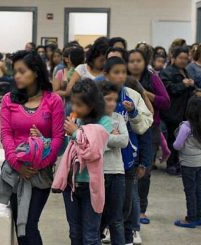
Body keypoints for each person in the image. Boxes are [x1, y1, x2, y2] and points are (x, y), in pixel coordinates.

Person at [0, 50, 65, 245]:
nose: (16, 76)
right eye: (15, 71)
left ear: (36, 72)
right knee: (20, 228)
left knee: (29, 225)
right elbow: (6, 135)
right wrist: (18, 165)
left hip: (40, 174)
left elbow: (58, 137)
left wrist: (39, 164)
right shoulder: (9, 100)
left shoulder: (53, 100)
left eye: (22, 71)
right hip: (15, 172)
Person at [52, 79, 111, 245]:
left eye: (79, 104)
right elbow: (68, 149)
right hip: (71, 185)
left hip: (90, 185)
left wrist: (76, 133)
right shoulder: (76, 120)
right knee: (75, 234)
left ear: (92, 104)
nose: (74, 108)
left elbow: (93, 152)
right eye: (73, 103)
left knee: (91, 236)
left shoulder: (104, 122)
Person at [102, 57, 153, 245]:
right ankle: (105, 231)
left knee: (127, 204)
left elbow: (144, 128)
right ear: (106, 74)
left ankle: (129, 235)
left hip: (128, 161)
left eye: (124, 72)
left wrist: (133, 114)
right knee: (104, 205)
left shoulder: (132, 95)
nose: (121, 76)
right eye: (116, 72)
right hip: (102, 162)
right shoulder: (96, 93)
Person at [128, 49, 170, 225]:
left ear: (145, 62)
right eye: (131, 61)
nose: (135, 64)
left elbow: (166, 102)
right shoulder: (123, 78)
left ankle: (141, 210)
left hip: (149, 128)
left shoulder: (152, 78)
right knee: (127, 170)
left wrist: (146, 94)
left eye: (139, 60)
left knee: (145, 170)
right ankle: (127, 208)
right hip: (127, 128)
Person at [98, 81, 129, 245]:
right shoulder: (92, 118)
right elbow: (94, 146)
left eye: (114, 100)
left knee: (116, 219)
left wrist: (103, 138)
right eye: (108, 99)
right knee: (98, 218)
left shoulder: (118, 118)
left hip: (117, 172)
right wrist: (110, 137)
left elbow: (124, 141)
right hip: (97, 174)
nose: (112, 103)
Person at [173, 97, 201, 228]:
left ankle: (191, 219)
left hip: (188, 163)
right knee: (198, 189)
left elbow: (177, 145)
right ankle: (198, 217)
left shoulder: (186, 127)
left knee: (190, 191)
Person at [160, 47, 195, 175]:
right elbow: (167, 89)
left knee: (181, 137)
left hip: (183, 110)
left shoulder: (186, 71)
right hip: (171, 111)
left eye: (186, 58)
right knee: (172, 137)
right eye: (181, 58)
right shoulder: (167, 72)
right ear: (173, 58)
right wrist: (183, 85)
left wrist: (192, 85)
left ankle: (176, 163)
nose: (183, 60)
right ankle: (170, 164)